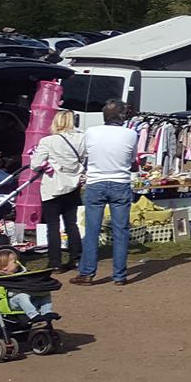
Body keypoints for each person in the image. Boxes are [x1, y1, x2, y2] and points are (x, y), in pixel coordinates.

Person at [75, 99, 139, 287]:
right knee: (121, 231)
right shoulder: (131, 134)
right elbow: (133, 160)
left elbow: (86, 155)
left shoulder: (91, 132)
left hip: (96, 183)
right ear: (122, 115)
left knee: (92, 230)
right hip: (120, 183)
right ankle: (119, 276)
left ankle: (87, 273)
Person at [26, 109, 84, 273]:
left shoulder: (48, 141)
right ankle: (76, 258)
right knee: (71, 223)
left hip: (53, 186)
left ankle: (55, 262)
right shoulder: (82, 139)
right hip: (73, 185)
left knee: (53, 225)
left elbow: (35, 164)